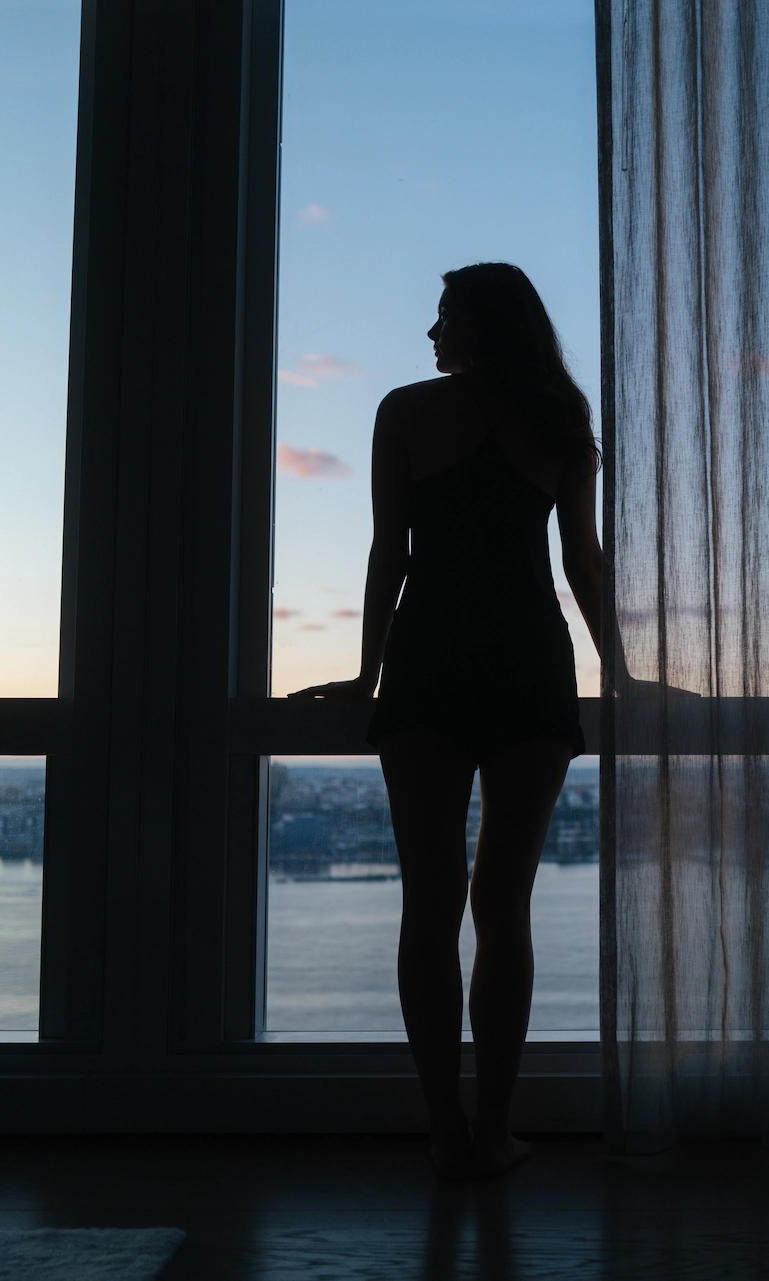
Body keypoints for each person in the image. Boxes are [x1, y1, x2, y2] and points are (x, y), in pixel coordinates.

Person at [289, 262, 601, 1179]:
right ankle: (495, 1129)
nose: (430, 334)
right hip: (527, 663)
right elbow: (579, 560)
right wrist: (618, 669)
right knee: (505, 905)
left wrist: (365, 672)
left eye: (443, 317)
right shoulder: (561, 420)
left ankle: (444, 1129)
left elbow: (392, 548)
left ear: (478, 328)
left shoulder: (403, 412)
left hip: (427, 663)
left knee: (429, 902)